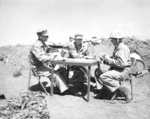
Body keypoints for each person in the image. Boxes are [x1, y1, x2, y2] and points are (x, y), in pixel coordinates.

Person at [95, 29, 132, 102]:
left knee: (104, 76)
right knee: (97, 71)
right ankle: (104, 91)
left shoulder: (123, 48)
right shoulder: (117, 47)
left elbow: (121, 64)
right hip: (116, 69)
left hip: (122, 71)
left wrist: (108, 59)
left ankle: (123, 90)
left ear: (118, 39)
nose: (111, 41)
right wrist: (105, 59)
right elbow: (116, 60)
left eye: (112, 39)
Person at [29, 29, 69, 94]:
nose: (48, 37)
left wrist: (55, 54)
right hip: (37, 68)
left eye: (47, 36)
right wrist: (53, 58)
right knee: (55, 73)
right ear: (40, 36)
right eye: (46, 36)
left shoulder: (42, 44)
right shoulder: (36, 45)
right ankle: (64, 91)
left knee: (63, 70)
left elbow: (48, 52)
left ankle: (60, 87)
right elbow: (41, 58)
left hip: (43, 66)